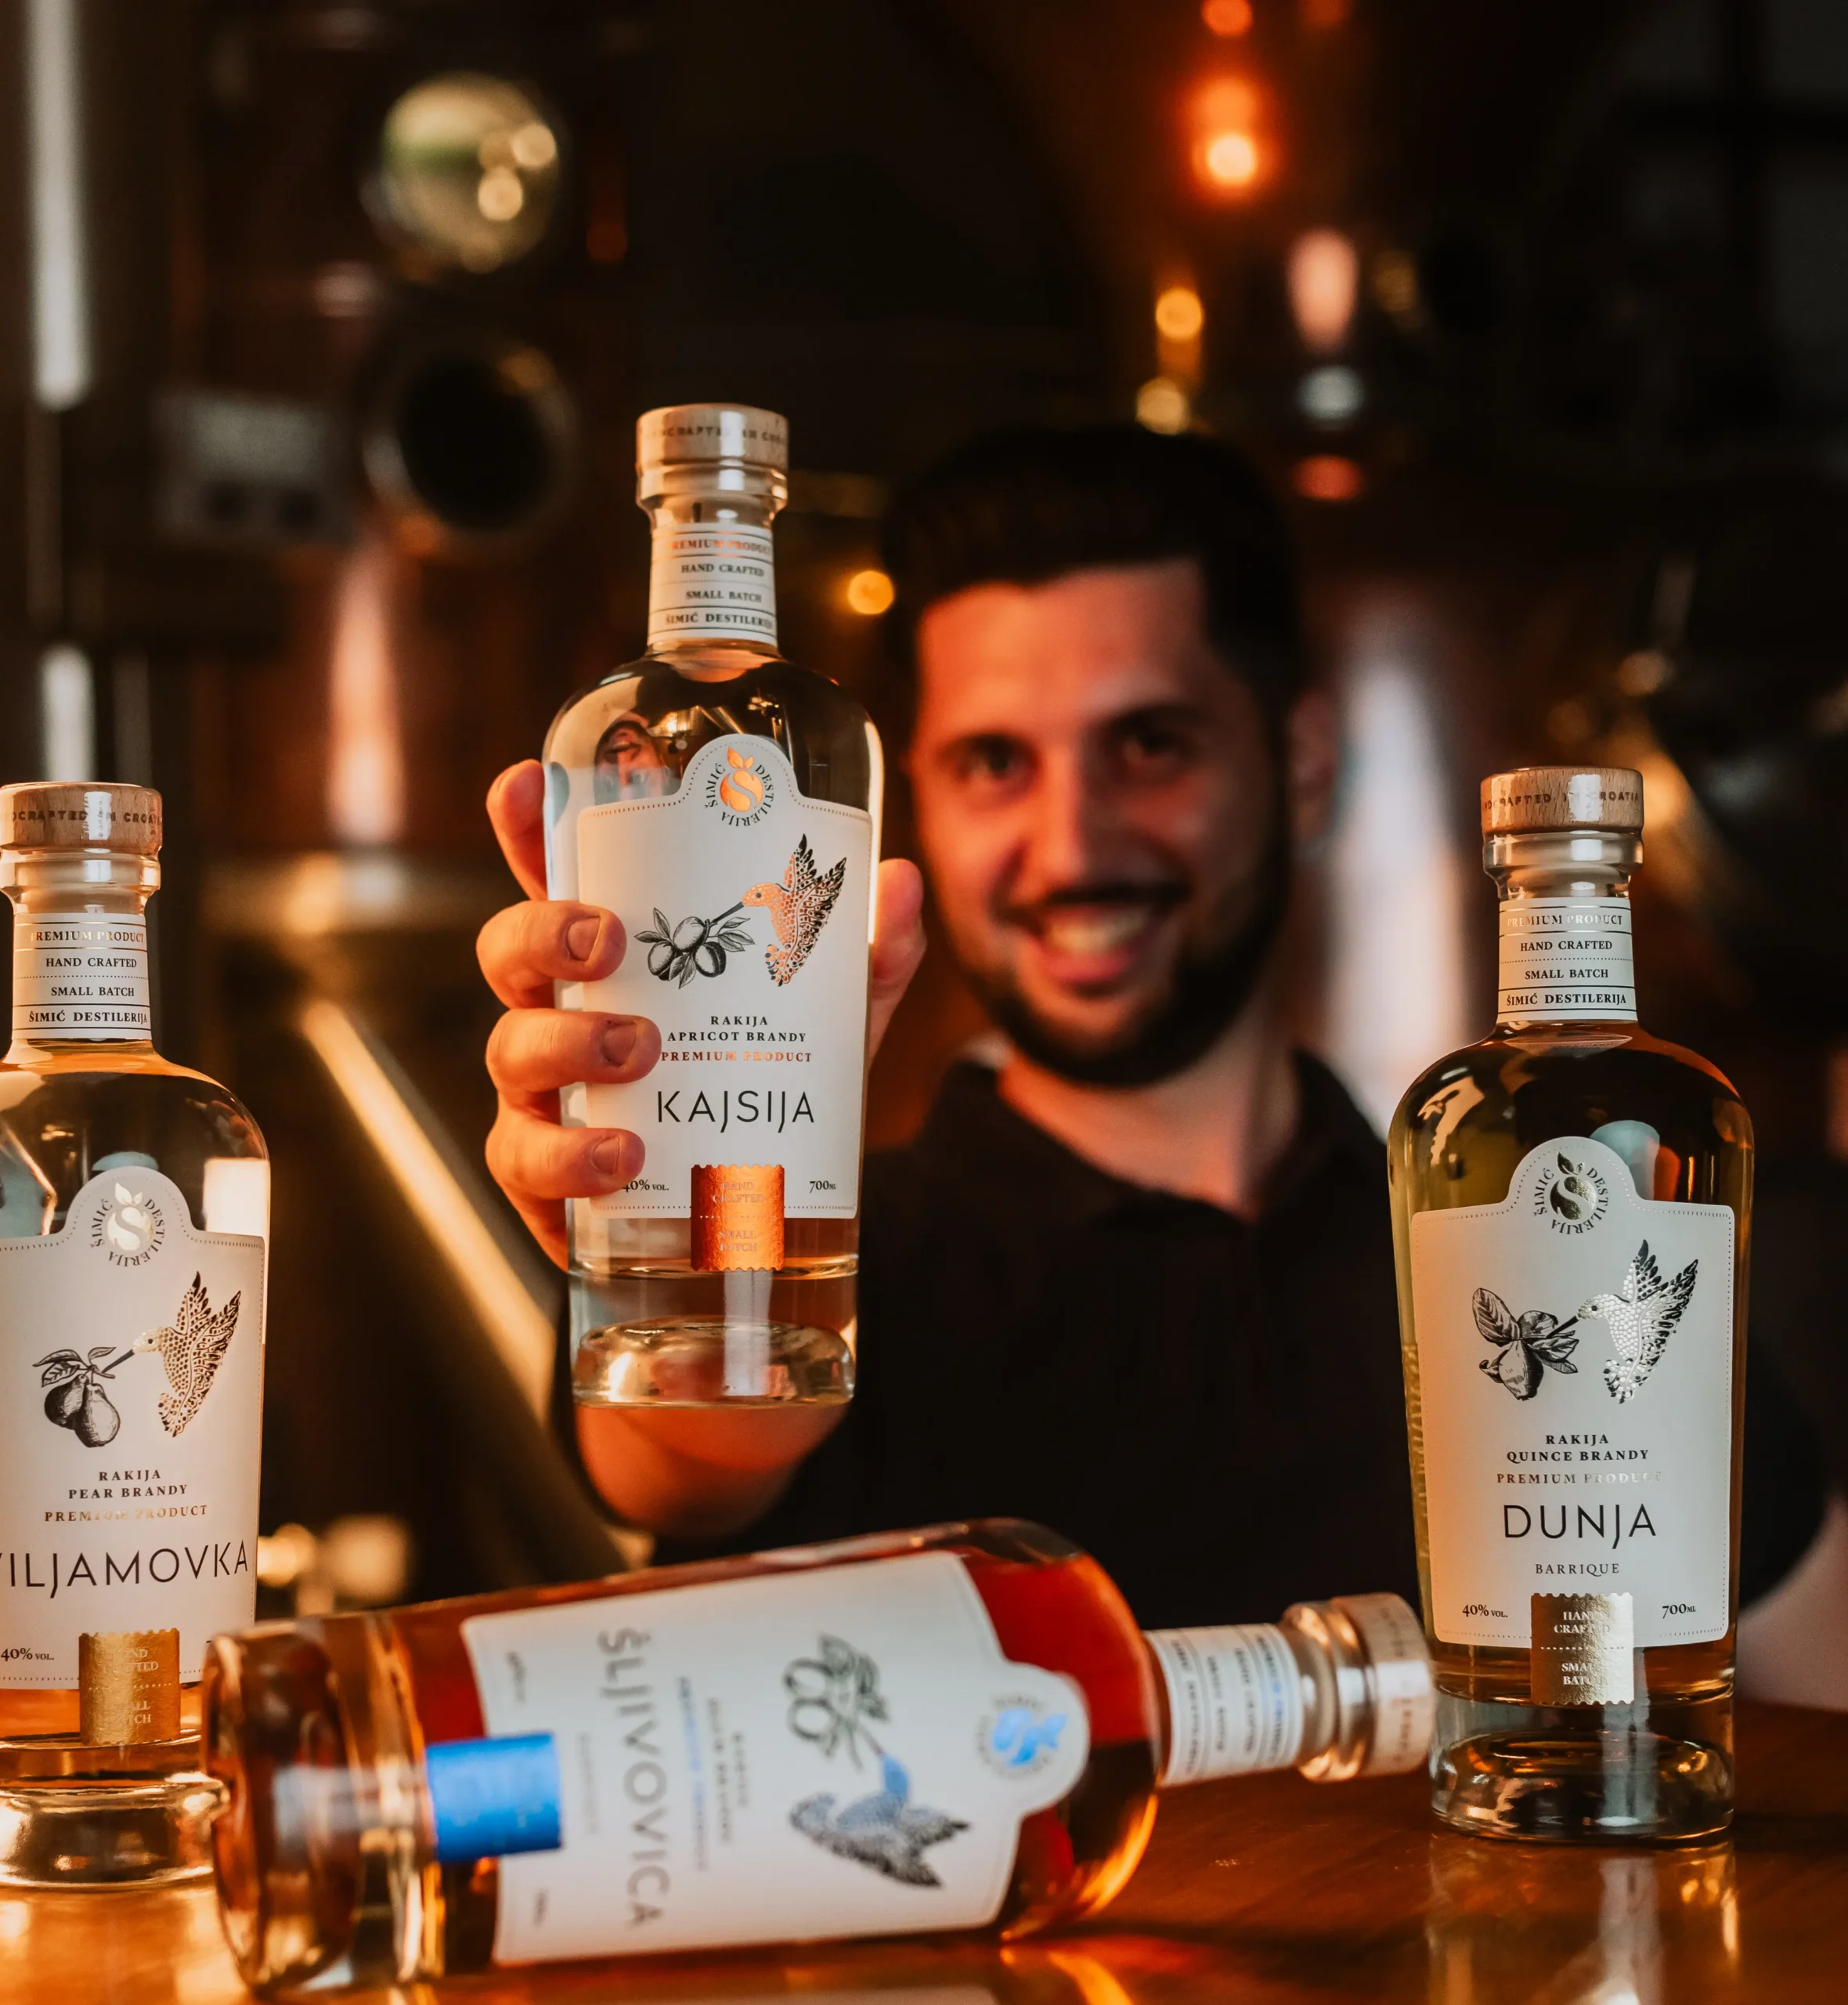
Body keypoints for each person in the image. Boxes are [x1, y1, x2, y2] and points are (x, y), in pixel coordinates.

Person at [477, 424, 1830, 1634]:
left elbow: (1792, 1691)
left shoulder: (1525, 1247)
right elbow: (694, 1442)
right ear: (918, 811)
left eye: (1150, 745)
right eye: (996, 764)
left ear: (1299, 765)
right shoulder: (827, 1244)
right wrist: (657, 1163)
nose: (1072, 846)